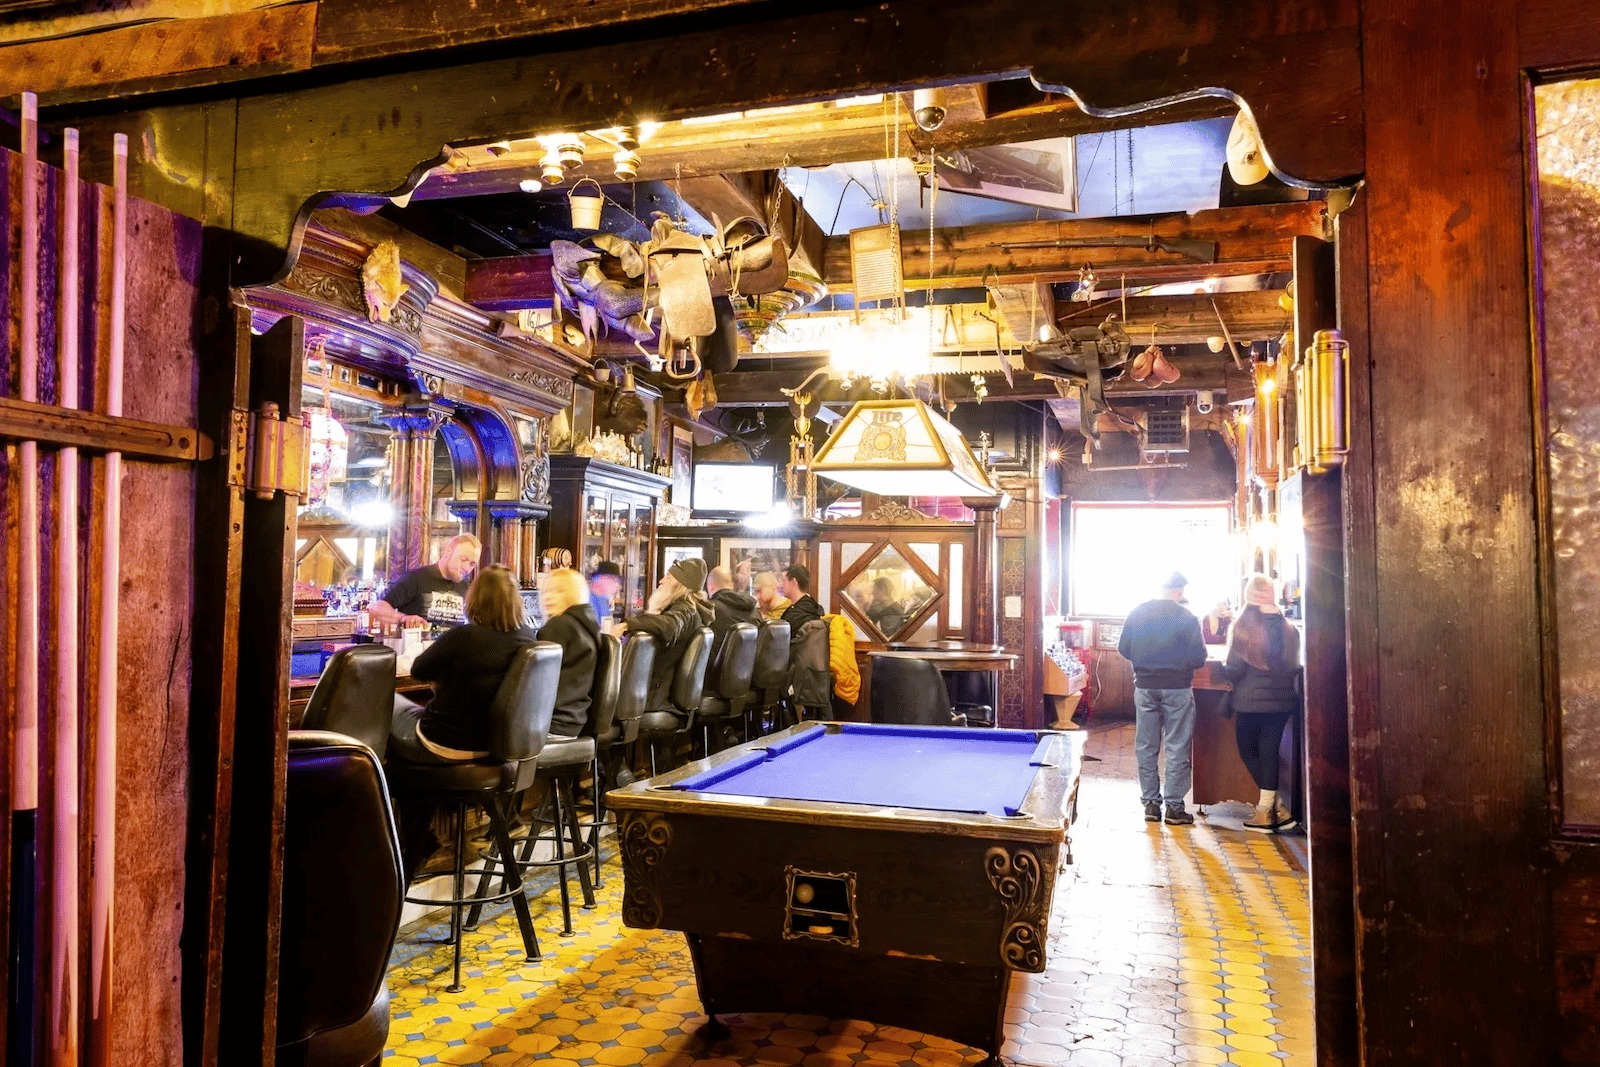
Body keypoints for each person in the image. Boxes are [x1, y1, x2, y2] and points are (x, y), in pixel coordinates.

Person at [387, 564, 537, 881]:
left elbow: (418, 670)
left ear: (474, 600)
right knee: (412, 768)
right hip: (494, 748)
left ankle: (397, 845)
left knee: (382, 701)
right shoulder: (528, 640)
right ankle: (420, 834)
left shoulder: (463, 637)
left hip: (446, 744)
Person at [1118, 571, 1209, 826]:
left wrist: (1144, 663)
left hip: (1145, 687)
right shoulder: (1187, 617)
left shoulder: (1138, 612)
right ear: (1180, 592)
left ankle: (1150, 804)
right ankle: (1174, 808)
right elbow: (1199, 658)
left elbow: (1123, 647)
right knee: (1177, 745)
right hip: (1178, 688)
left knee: (1146, 746)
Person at [1224, 574, 1303, 833]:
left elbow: (1234, 670)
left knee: (1249, 751)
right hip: (1282, 702)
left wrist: (1225, 672)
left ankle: (1264, 813)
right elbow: (1293, 665)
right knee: (1269, 753)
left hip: (1251, 701)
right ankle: (1276, 809)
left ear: (1248, 595)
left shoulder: (1242, 627)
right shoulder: (1289, 628)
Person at [626, 556, 713, 710]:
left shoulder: (686, 610)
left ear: (680, 585)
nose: (661, 581)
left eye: (668, 576)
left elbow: (669, 626)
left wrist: (626, 625)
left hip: (651, 697)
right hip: (652, 693)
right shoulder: (692, 610)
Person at [537, 567, 601, 738]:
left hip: (550, 725)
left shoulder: (558, 626)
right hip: (575, 722)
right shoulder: (589, 625)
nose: (548, 597)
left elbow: (534, 683)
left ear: (573, 593)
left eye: (558, 591)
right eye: (547, 591)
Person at [370, 533, 481, 630]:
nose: (467, 568)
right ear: (448, 551)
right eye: (463, 559)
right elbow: (377, 608)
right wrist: (403, 618)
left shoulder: (467, 589)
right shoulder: (416, 578)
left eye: (472, 564)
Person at [705, 565, 762, 667]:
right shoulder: (755, 610)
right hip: (750, 675)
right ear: (731, 585)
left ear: (711, 586)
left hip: (715, 677)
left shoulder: (710, 611)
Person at [780, 563, 825, 635]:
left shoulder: (794, 617)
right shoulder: (814, 609)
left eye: (784, 581)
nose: (781, 585)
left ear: (794, 582)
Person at [588, 559, 623, 628]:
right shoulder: (587, 602)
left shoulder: (602, 600)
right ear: (601, 579)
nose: (619, 586)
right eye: (614, 580)